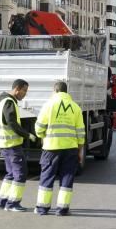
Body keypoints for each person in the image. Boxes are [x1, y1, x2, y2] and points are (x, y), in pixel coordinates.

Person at [34, 81, 84, 217]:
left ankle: (42, 209)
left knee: (47, 176)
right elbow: (81, 133)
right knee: (67, 177)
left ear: (55, 91)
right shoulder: (75, 108)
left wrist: (42, 136)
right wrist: (79, 150)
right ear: (66, 92)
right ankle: (62, 209)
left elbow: (39, 128)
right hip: (71, 148)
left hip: (51, 148)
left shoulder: (48, 105)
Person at [0, 78, 37, 212]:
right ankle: (13, 204)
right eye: (24, 90)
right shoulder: (9, 102)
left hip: (5, 143)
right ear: (17, 89)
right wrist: (27, 134)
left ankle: (2, 202)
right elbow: (12, 123)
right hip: (11, 144)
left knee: (11, 173)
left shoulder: (3, 100)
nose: (25, 94)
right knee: (20, 173)